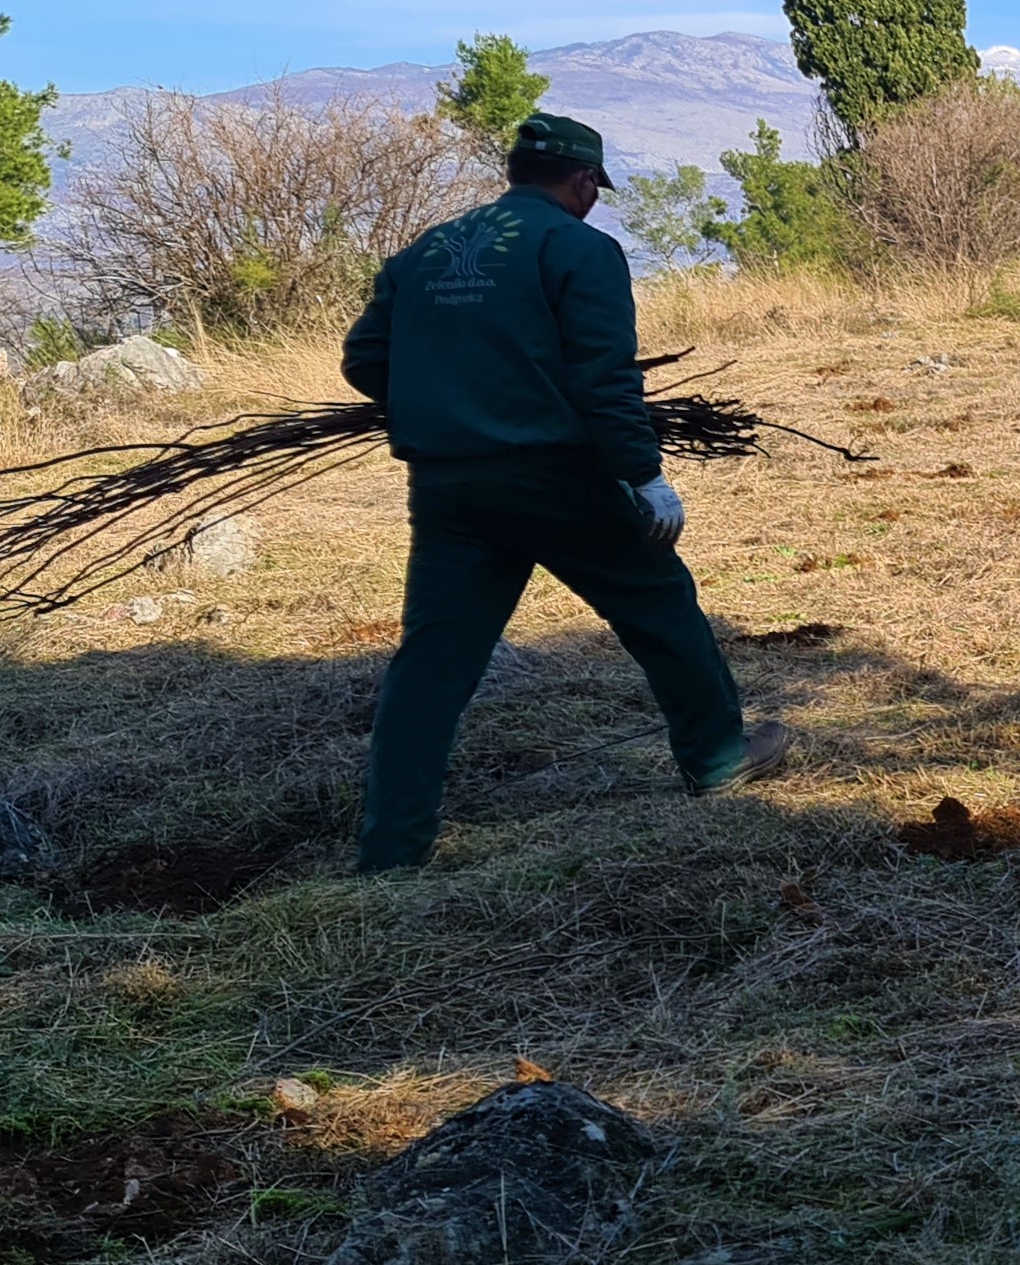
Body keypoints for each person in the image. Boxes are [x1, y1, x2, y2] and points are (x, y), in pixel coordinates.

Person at [337, 112, 787, 873]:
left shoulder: (425, 251)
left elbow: (363, 361)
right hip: (560, 480)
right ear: (583, 182)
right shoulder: (580, 249)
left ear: (515, 172)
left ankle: (391, 847)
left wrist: (453, 403)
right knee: (660, 610)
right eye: (593, 188)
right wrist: (644, 475)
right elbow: (604, 380)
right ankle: (717, 758)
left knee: (432, 666)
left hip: (448, 488)